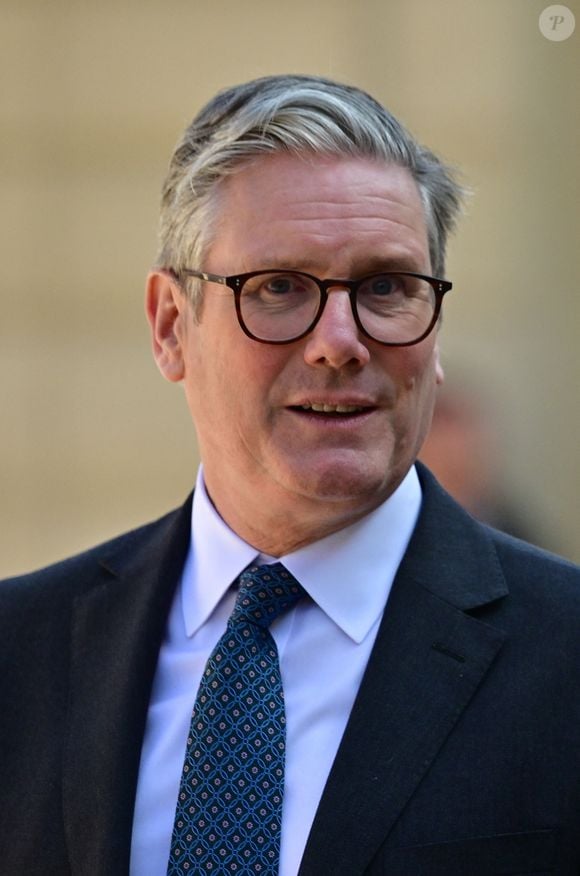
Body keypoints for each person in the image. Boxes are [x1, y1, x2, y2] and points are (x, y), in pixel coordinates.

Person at [1, 75, 579, 876]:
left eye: (387, 287)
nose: (340, 342)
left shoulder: (564, 658)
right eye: (278, 288)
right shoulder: (20, 654)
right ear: (171, 327)